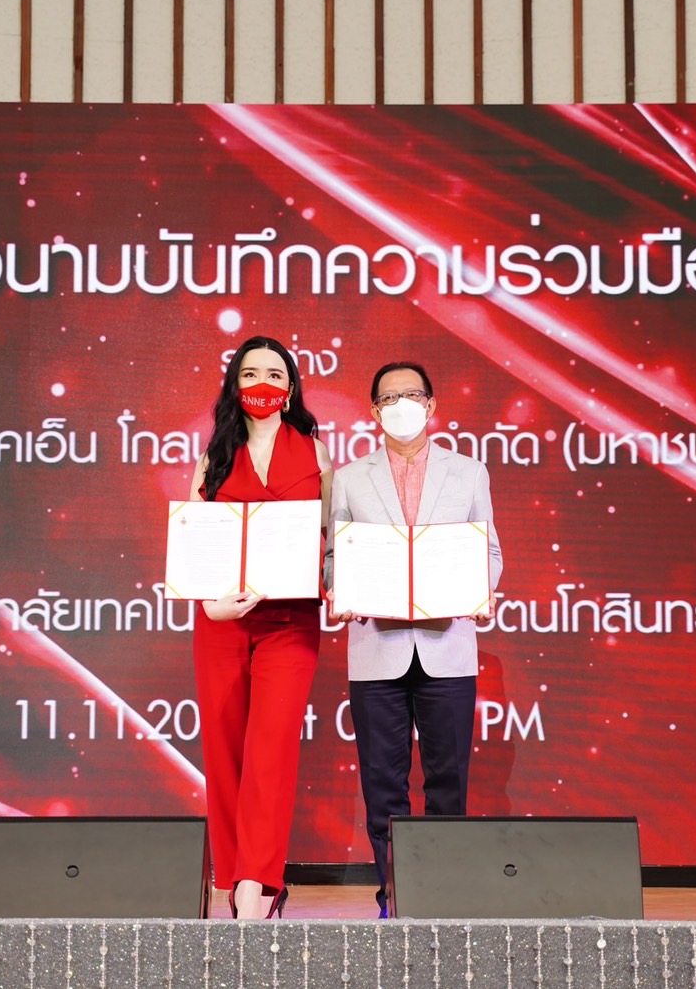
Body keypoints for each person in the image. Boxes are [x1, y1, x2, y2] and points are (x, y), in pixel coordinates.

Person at [325, 361, 502, 918]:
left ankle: (442, 899)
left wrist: (479, 589)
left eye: (412, 395)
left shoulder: (468, 472)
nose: (401, 405)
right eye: (388, 398)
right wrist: (339, 588)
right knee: (384, 784)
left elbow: (489, 551)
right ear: (373, 411)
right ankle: (395, 898)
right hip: (376, 648)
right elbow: (334, 555)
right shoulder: (350, 477)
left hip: (447, 646)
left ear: (431, 405)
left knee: (447, 780)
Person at [188, 335, 332, 919]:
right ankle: (231, 878)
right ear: (234, 385)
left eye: (274, 374)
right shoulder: (213, 458)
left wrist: (339, 586)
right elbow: (194, 544)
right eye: (250, 374)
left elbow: (332, 541)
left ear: (290, 388)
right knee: (224, 754)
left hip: (290, 623)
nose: (262, 384)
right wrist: (210, 605)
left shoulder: (317, 455)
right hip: (223, 623)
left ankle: (257, 884)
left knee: (271, 751)